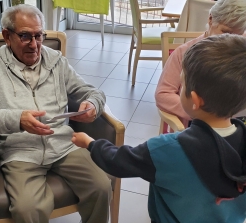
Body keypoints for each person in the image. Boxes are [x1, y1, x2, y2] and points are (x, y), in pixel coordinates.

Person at [72, 34, 246, 222]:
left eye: (182, 81)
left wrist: (90, 143)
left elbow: (118, 161)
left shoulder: (169, 149)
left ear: (194, 100)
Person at [0, 4, 111, 223]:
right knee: (27, 208)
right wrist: (17, 120)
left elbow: (92, 91)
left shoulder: (56, 61)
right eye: (25, 36)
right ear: (7, 36)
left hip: (63, 145)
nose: (34, 45)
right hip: (20, 151)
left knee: (102, 187)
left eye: (39, 36)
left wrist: (93, 104)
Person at [155, 0, 246, 127]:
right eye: (226, 32)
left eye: (238, 34)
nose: (230, 39)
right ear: (210, 19)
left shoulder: (241, 52)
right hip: (199, 125)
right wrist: (204, 115)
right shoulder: (184, 53)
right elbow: (163, 94)